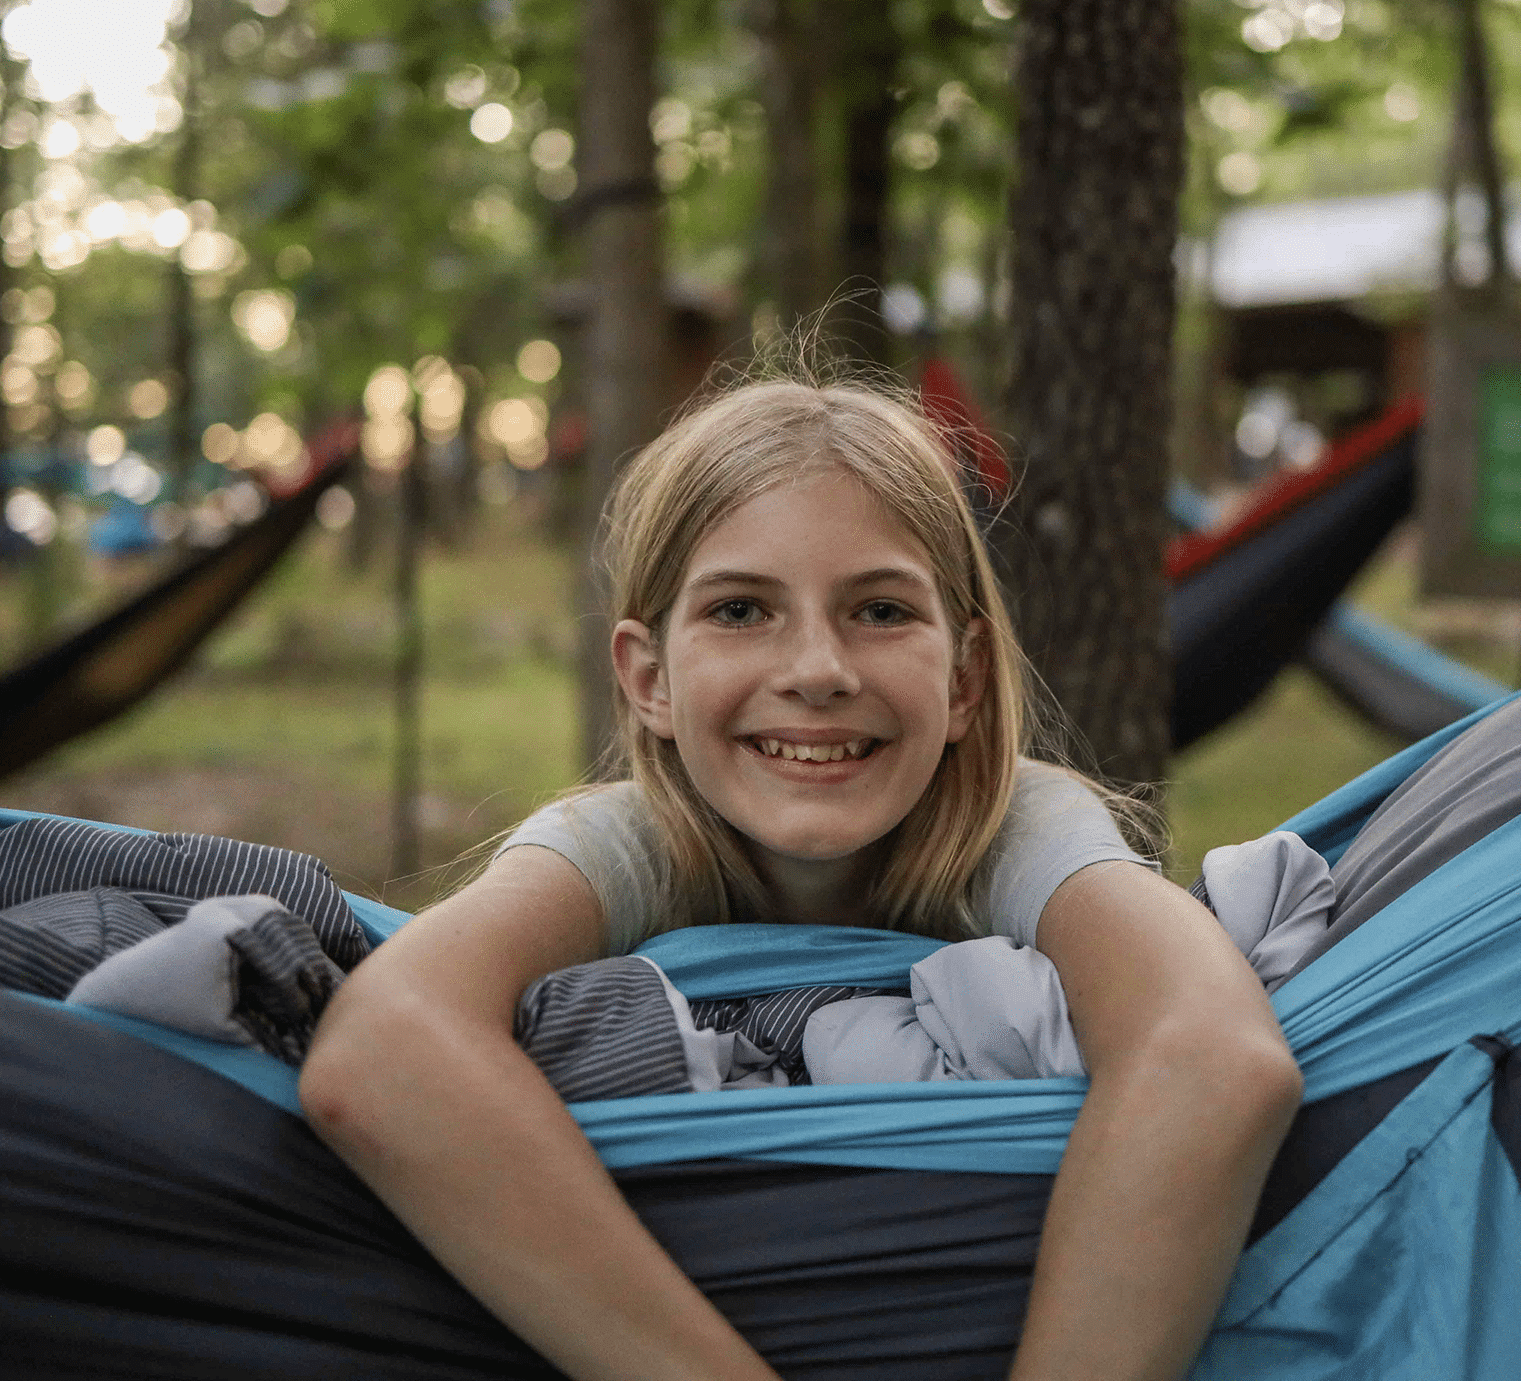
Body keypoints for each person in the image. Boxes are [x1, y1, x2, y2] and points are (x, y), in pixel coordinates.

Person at [300, 376, 1303, 1381]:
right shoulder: (623, 841)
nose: (818, 668)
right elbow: (382, 1049)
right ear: (649, 679)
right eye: (742, 609)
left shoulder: (1022, 826)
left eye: (879, 608)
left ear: (962, 679)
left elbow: (1214, 1052)